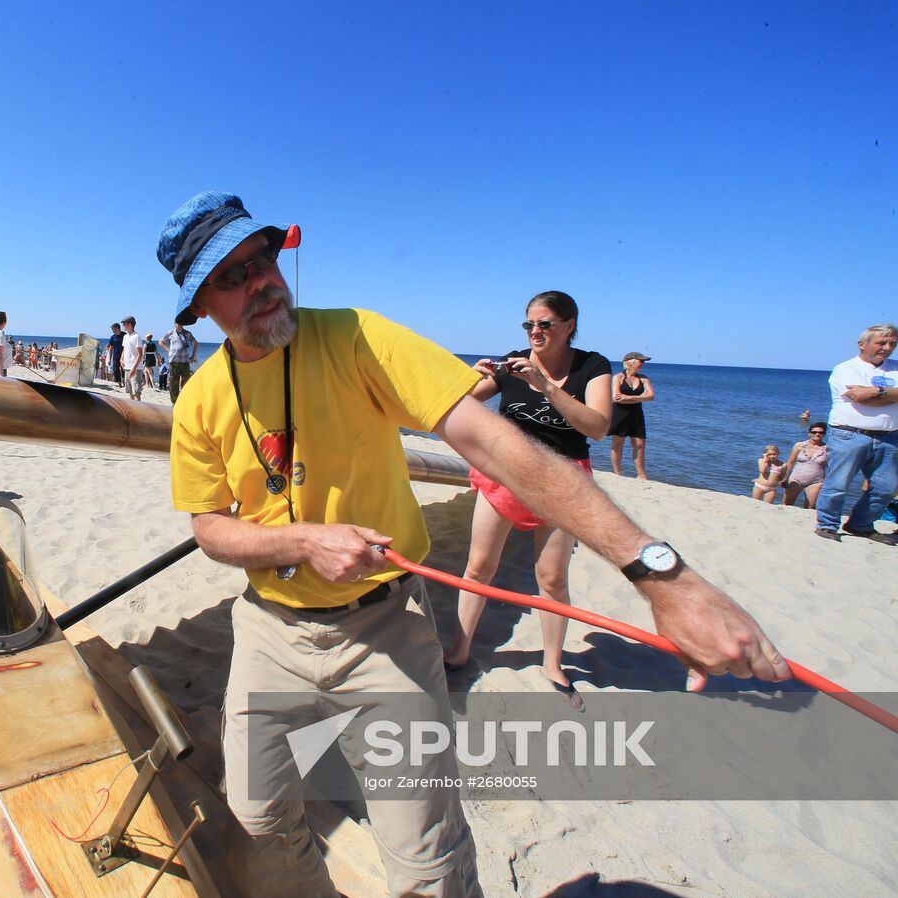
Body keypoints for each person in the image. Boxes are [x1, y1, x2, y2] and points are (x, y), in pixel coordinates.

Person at [156, 191, 789, 898]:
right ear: (199, 309)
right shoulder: (199, 398)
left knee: (424, 862)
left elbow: (497, 445)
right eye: (231, 277)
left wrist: (659, 573)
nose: (260, 282)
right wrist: (302, 539)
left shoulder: (356, 337)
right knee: (259, 819)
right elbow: (209, 525)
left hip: (384, 629)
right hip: (269, 632)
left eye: (262, 259)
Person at [442, 292, 613, 711]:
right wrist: (468, 375)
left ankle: (553, 665)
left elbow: (598, 427)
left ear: (570, 325)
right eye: (529, 325)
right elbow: (460, 400)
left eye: (546, 324)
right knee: (479, 566)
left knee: (551, 577)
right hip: (506, 474)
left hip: (563, 481)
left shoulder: (593, 366)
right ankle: (459, 651)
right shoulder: (515, 359)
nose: (535, 332)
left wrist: (546, 388)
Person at [813, 323, 898, 543]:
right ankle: (827, 525)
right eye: (881, 342)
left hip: (889, 437)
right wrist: (889, 394)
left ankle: (860, 524)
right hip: (850, 435)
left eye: (892, 343)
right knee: (838, 483)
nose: (887, 347)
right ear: (862, 344)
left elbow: (869, 396)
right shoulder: (846, 368)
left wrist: (877, 392)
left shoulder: (895, 368)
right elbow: (859, 396)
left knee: (886, 488)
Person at [608, 351, 654, 479]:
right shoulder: (618, 377)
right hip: (619, 413)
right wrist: (640, 397)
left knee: (639, 445)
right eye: (641, 361)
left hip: (636, 414)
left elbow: (651, 396)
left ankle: (641, 475)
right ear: (630, 362)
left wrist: (628, 397)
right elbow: (617, 398)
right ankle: (617, 473)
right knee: (617, 444)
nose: (643, 364)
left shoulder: (643, 378)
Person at [783, 422, 829, 508]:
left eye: (821, 432)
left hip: (816, 481)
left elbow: (832, 467)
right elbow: (790, 462)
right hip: (795, 478)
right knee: (787, 505)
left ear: (824, 434)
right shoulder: (799, 445)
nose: (817, 434)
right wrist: (784, 478)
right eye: (814, 432)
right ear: (809, 433)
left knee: (810, 508)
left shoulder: (828, 449)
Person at [160, 314, 199, 404]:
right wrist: (168, 350)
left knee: (186, 383)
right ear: (174, 324)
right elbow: (161, 342)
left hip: (185, 362)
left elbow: (195, 343)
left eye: (181, 323)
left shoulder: (187, 333)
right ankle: (175, 402)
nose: (180, 325)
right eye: (178, 323)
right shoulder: (170, 333)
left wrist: (193, 355)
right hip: (174, 362)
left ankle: (184, 401)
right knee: (173, 383)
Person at [120, 315, 144, 400]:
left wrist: (134, 367)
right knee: (129, 391)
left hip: (136, 368)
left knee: (136, 392)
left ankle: (138, 411)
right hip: (127, 366)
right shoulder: (125, 336)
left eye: (124, 324)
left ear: (130, 324)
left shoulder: (137, 337)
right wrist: (121, 359)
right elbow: (124, 349)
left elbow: (140, 353)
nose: (123, 326)